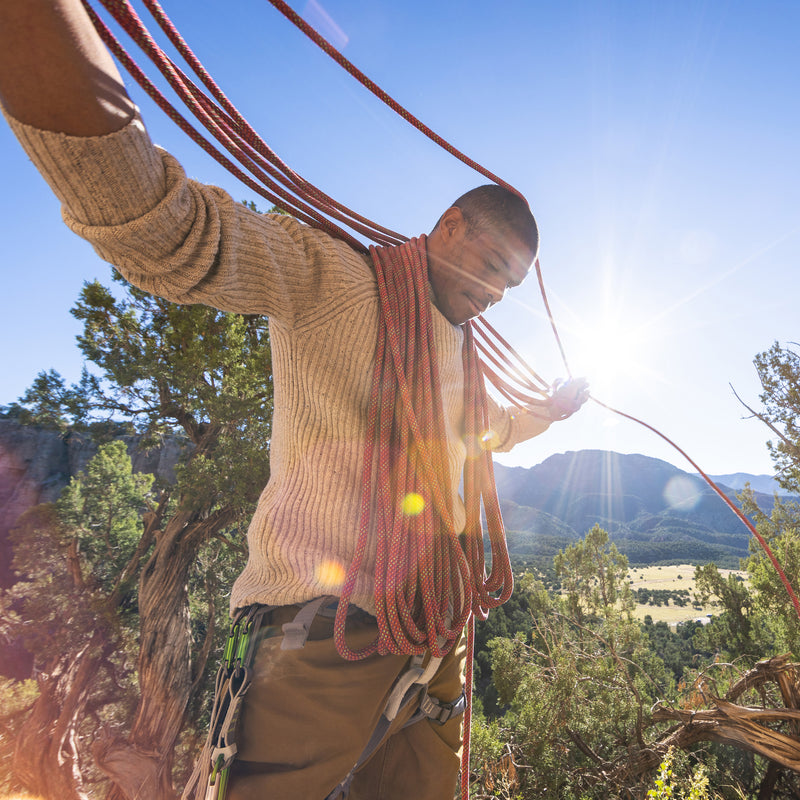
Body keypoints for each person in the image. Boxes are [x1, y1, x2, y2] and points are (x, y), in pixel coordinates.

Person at [0, 3, 588, 798]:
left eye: (507, 286)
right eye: (486, 263)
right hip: (321, 635)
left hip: (437, 640)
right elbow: (174, 237)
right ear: (447, 225)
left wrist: (547, 412)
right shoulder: (335, 276)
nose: (491, 293)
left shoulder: (460, 341)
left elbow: (480, 435)